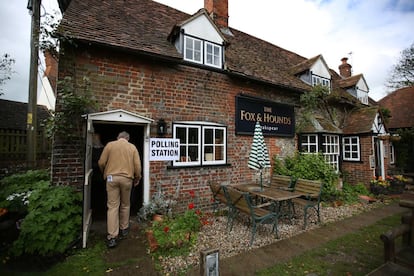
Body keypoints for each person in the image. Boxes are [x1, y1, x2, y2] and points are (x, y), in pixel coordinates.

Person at [98, 131, 142, 248]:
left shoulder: (110, 145)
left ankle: (112, 236)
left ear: (118, 137)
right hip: (127, 179)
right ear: (127, 138)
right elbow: (137, 166)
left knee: (112, 206)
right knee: (125, 204)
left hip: (112, 178)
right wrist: (137, 178)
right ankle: (124, 228)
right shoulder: (132, 147)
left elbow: (101, 162)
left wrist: (105, 173)